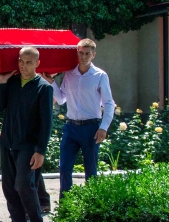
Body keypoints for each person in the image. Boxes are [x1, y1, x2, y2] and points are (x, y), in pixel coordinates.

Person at [0, 46, 53, 222]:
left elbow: (46, 123)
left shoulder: (43, 87)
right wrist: (1, 83)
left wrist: (40, 151)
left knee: (23, 185)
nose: (24, 65)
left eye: (29, 62)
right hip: (8, 142)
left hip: (28, 145)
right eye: (21, 61)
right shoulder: (10, 83)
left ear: (37, 63)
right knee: (9, 188)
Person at [41, 39, 114, 197]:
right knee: (65, 168)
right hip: (71, 127)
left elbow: (109, 103)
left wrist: (104, 127)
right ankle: (66, 207)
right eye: (80, 53)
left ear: (93, 55)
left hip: (91, 128)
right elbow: (61, 99)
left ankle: (91, 207)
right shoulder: (69, 73)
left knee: (91, 171)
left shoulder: (100, 75)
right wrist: (51, 81)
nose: (83, 56)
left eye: (87, 53)